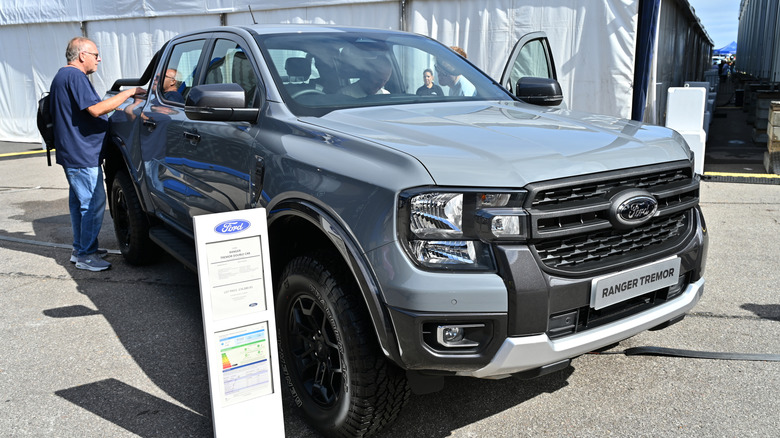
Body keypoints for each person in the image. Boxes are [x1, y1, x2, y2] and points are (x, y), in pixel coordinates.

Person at [49, 36, 145, 271]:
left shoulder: (62, 75)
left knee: (78, 203)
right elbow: (96, 109)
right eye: (95, 54)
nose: (99, 59)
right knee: (93, 203)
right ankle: (86, 255)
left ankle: (80, 248)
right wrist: (129, 93)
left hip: (73, 152)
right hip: (81, 153)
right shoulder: (75, 76)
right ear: (82, 56)